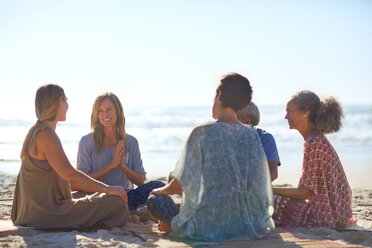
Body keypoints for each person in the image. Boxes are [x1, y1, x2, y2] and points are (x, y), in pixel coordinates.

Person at [146, 73, 274, 241]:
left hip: (209, 224)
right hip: (248, 222)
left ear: (219, 95)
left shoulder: (202, 133)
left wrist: (160, 191)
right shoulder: (252, 135)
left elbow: (180, 184)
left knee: (154, 199)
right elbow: (259, 183)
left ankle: (172, 225)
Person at [11, 84, 129, 229]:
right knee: (116, 202)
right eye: (65, 100)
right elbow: (71, 176)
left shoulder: (37, 130)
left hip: (36, 210)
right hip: (44, 214)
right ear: (58, 102)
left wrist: (102, 190)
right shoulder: (45, 134)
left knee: (95, 195)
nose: (67, 105)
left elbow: (69, 178)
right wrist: (109, 189)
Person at [272, 90, 354, 228]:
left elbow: (304, 193)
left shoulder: (314, 143)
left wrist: (270, 189)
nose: (286, 116)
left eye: (289, 111)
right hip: (335, 213)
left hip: (323, 217)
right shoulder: (317, 140)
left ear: (306, 113)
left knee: (267, 199)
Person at [76, 92, 164, 212]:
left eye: (109, 109)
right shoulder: (86, 142)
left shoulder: (131, 142)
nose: (105, 114)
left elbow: (140, 181)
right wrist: (112, 165)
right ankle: (130, 212)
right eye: (100, 111)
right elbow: (81, 181)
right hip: (99, 197)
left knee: (158, 186)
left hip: (125, 197)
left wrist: (122, 165)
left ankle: (127, 211)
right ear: (96, 115)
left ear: (117, 111)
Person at [237, 102, 281, 181]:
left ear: (247, 122)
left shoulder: (264, 138)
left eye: (234, 118)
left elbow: (273, 171)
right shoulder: (224, 137)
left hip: (256, 188)